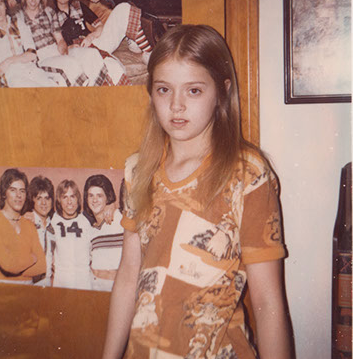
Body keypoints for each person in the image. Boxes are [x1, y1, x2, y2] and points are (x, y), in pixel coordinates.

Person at [102, 25, 294, 359]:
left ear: (221, 91)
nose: (176, 105)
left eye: (193, 91)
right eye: (164, 90)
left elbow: (267, 303)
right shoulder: (138, 170)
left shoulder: (247, 174)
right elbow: (127, 276)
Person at [17, 0, 123, 86]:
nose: (33, 0)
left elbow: (60, 40)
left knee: (92, 54)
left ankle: (98, 90)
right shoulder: (18, 18)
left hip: (57, 50)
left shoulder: (49, 12)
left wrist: (65, 52)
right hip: (41, 57)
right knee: (71, 64)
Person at [53, 0, 153, 67]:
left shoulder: (78, 6)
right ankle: (132, 38)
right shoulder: (51, 16)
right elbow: (51, 46)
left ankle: (149, 54)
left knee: (123, 7)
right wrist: (69, 48)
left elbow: (99, 26)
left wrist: (91, 36)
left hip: (96, 44)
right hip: (76, 53)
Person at [0, 0, 58, 87]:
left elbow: (32, 54)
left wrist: (8, 61)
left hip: (30, 69)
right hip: (12, 76)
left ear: (5, 5)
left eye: (0, 4)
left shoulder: (17, 22)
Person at [0, 168, 46, 284]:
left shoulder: (29, 224)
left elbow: (42, 266)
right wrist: (32, 258)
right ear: (4, 193)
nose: (18, 195)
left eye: (22, 191)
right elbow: (7, 265)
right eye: (13, 190)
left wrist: (10, 272)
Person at [82, 175, 124, 292]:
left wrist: (113, 205)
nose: (94, 200)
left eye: (99, 195)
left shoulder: (120, 218)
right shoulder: (89, 228)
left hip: (118, 288)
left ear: (108, 197)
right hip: (94, 287)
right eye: (91, 196)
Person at [51, 179, 93, 290]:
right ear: (59, 200)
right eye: (65, 197)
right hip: (61, 283)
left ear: (78, 199)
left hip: (83, 283)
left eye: (72, 196)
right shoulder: (53, 221)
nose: (69, 202)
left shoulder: (86, 222)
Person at [24, 175, 56, 286]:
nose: (44, 203)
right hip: (29, 282)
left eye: (47, 198)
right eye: (39, 198)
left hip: (48, 283)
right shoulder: (26, 221)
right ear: (32, 200)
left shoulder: (54, 225)